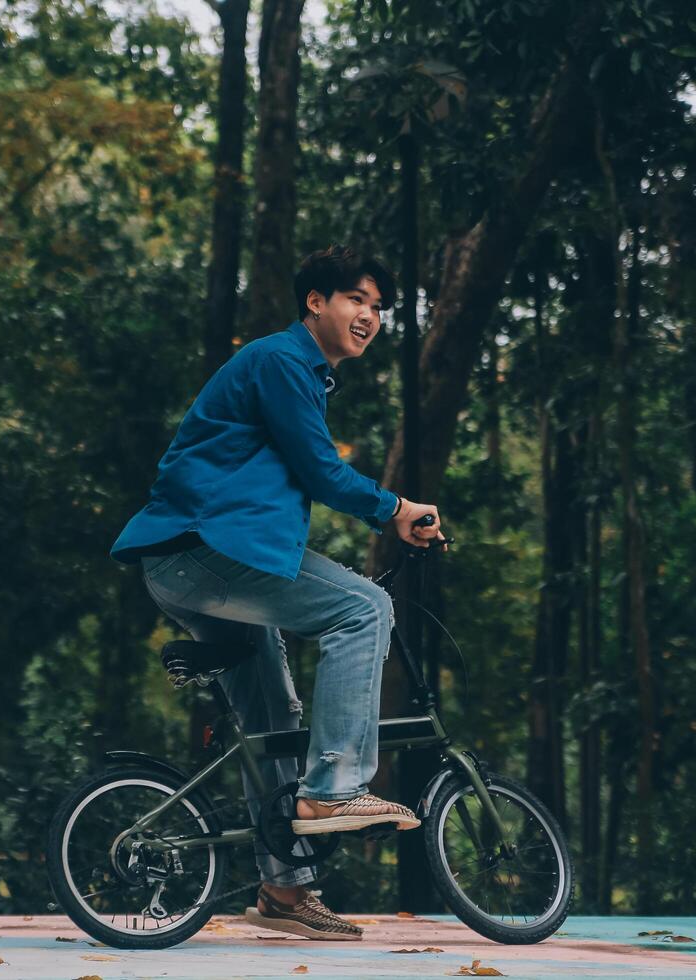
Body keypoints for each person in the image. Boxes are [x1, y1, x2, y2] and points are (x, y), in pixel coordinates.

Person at [110, 245, 447, 941]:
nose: (370, 317)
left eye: (379, 308)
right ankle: (334, 791)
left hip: (201, 564)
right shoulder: (281, 362)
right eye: (357, 299)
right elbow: (322, 472)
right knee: (365, 607)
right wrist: (396, 510)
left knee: (274, 718)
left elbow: (293, 480)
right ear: (315, 302)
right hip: (203, 554)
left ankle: (285, 892)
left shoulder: (299, 374)